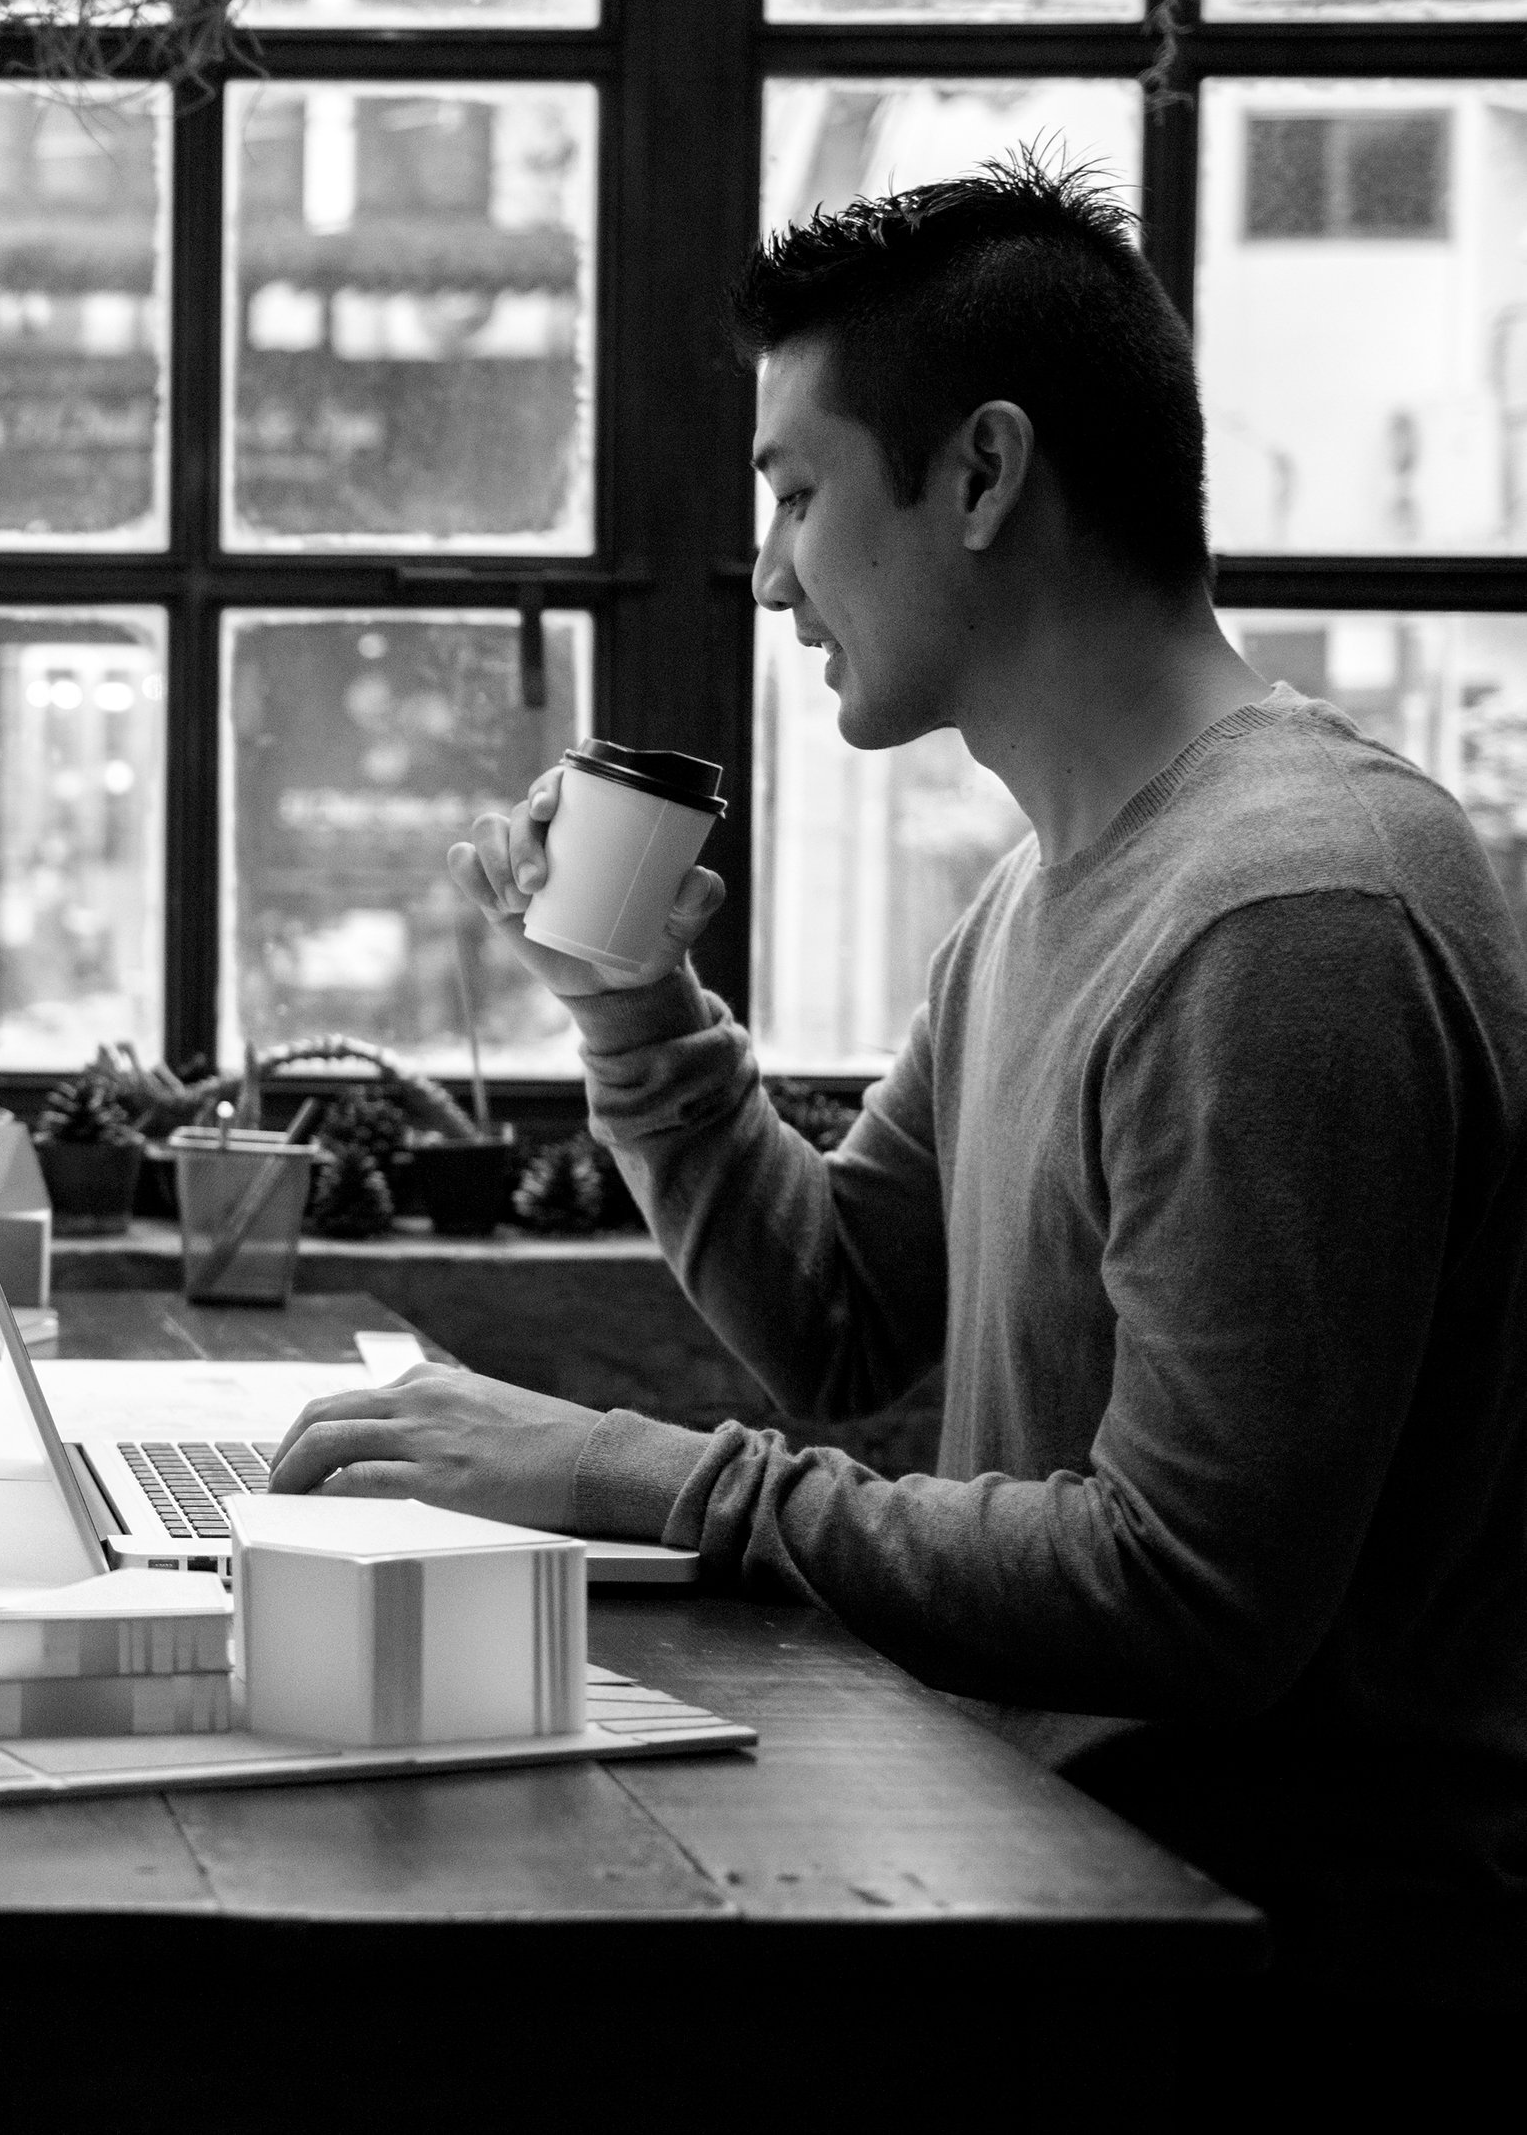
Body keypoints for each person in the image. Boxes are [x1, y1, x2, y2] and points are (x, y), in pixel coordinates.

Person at [267, 158, 1527, 1988]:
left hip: (1275, 1954)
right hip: (1065, 1862)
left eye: (796, 494)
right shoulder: (1048, 883)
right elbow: (844, 1316)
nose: (769, 571)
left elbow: (1192, 1598)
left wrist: (626, 1470)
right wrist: (631, 1009)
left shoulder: (1293, 917)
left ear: (986, 472)